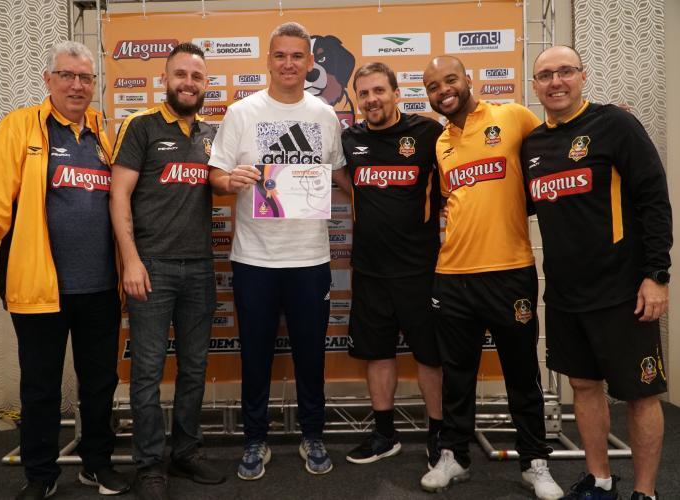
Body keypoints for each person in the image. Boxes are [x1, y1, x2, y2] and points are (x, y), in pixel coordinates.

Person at [0, 41, 129, 500]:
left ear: (94, 84)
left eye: (86, 78)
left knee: (100, 384)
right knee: (40, 388)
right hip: (40, 287)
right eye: (68, 76)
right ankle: (40, 474)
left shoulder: (104, 134)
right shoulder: (21, 128)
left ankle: (96, 464)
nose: (77, 85)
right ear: (48, 80)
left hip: (100, 288)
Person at [521, 45, 672, 500]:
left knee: (640, 394)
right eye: (545, 75)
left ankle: (645, 492)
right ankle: (600, 480)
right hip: (566, 294)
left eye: (565, 71)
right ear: (535, 86)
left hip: (623, 290)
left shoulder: (616, 125)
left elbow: (653, 200)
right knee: (584, 387)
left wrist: (657, 274)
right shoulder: (532, 144)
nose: (556, 82)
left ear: (582, 76)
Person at [418, 55, 563, 499]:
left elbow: (552, 157)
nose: (443, 90)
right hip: (453, 275)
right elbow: (452, 200)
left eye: (450, 80)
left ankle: (535, 462)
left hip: (509, 272)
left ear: (468, 80)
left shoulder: (512, 116)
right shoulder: (440, 142)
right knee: (457, 375)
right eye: (432, 86)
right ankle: (454, 456)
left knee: (522, 373)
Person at [208, 21, 346, 480]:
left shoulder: (325, 115)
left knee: (312, 356)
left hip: (310, 260)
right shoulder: (242, 112)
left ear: (310, 63)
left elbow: (340, 175)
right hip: (255, 260)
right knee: (255, 354)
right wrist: (230, 181)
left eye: (297, 56)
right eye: (280, 56)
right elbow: (216, 175)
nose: (289, 64)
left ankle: (313, 434)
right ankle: (254, 440)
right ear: (268, 60)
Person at [110, 42, 223, 499]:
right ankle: (150, 464)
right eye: (181, 75)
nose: (189, 83)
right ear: (165, 79)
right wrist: (131, 260)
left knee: (195, 368)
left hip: (200, 266)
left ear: (206, 84)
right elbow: (118, 197)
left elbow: (223, 181)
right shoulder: (140, 126)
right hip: (151, 267)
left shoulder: (212, 133)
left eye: (197, 77)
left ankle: (186, 452)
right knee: (149, 371)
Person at [331, 62, 444, 469]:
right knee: (377, 354)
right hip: (370, 269)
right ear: (356, 99)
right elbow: (345, 179)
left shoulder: (428, 132)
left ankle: (439, 436)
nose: (371, 99)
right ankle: (385, 434)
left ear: (396, 92)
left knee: (430, 357)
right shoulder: (350, 138)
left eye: (379, 90)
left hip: (421, 268)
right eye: (363, 94)